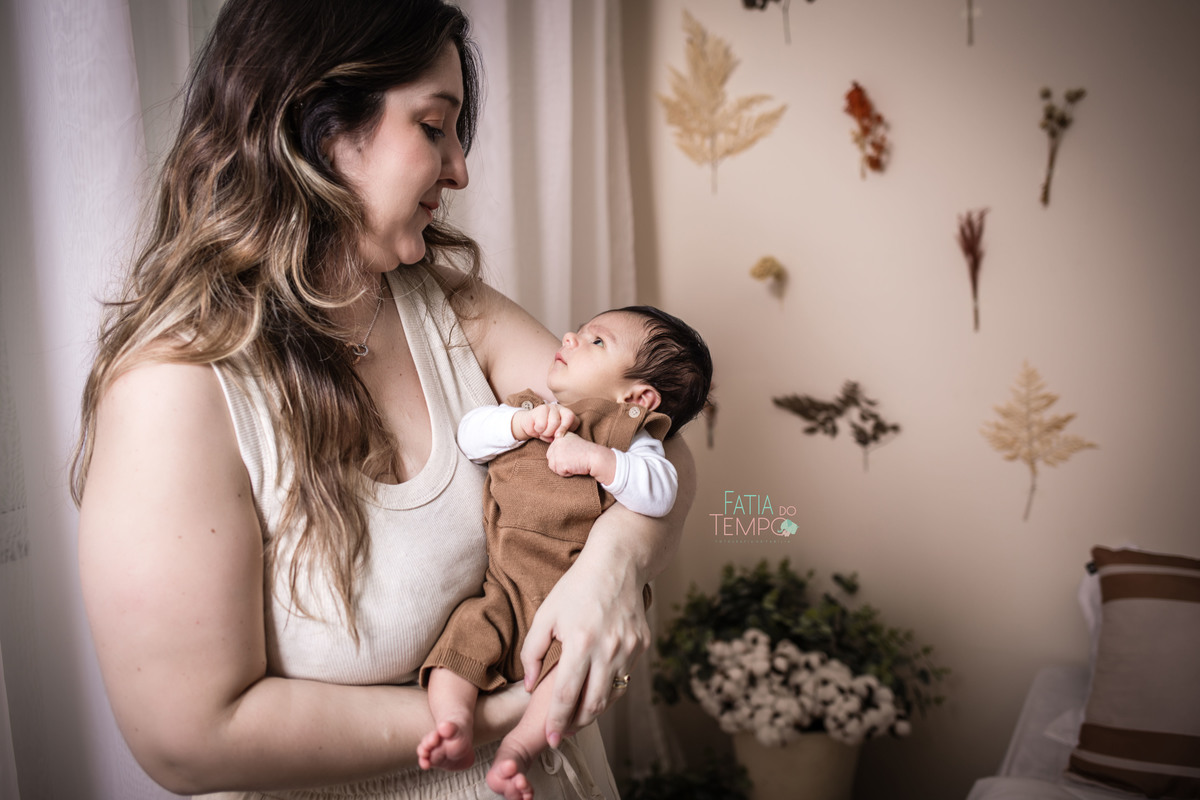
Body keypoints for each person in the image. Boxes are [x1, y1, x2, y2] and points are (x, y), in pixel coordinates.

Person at [71, 1, 694, 798]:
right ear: (315, 124)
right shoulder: (173, 392)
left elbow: (657, 438)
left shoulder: (450, 309)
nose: (461, 168)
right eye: (434, 127)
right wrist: (499, 715)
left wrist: (614, 565)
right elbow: (189, 737)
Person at [417, 307, 713, 800]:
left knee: (569, 670)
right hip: (506, 586)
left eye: (598, 342)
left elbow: (661, 493)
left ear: (638, 398)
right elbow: (468, 438)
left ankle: (519, 748)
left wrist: (601, 460)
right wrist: (520, 424)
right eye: (583, 330)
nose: (572, 336)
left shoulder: (634, 440)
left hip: (572, 590)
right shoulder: (529, 408)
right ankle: (452, 722)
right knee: (460, 645)